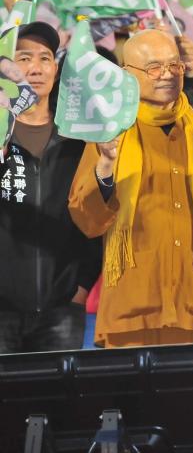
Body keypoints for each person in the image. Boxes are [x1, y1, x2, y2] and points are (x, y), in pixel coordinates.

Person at [68, 29, 193, 347]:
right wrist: (106, 165)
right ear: (127, 75)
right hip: (133, 309)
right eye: (154, 67)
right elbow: (88, 220)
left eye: (174, 66)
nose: (167, 75)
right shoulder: (109, 134)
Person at [0, 21, 102, 353]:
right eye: (24, 57)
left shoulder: (80, 138)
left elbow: (97, 213)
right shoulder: (2, 134)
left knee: (57, 404)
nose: (35, 67)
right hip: (2, 312)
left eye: (45, 58)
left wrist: (82, 285)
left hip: (62, 309)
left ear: (56, 70)